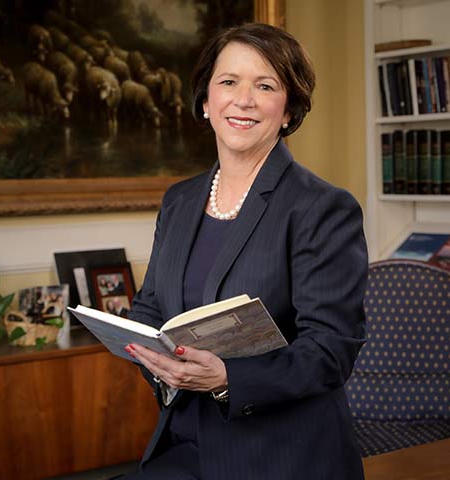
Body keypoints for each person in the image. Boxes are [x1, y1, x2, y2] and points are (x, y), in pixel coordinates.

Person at [121, 22, 368, 480]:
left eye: (266, 85)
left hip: (282, 458)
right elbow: (150, 307)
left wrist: (226, 379)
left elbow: (331, 349)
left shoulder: (322, 207)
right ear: (205, 101)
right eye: (229, 82)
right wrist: (154, 359)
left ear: (289, 111)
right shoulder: (179, 201)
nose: (244, 99)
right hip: (184, 444)